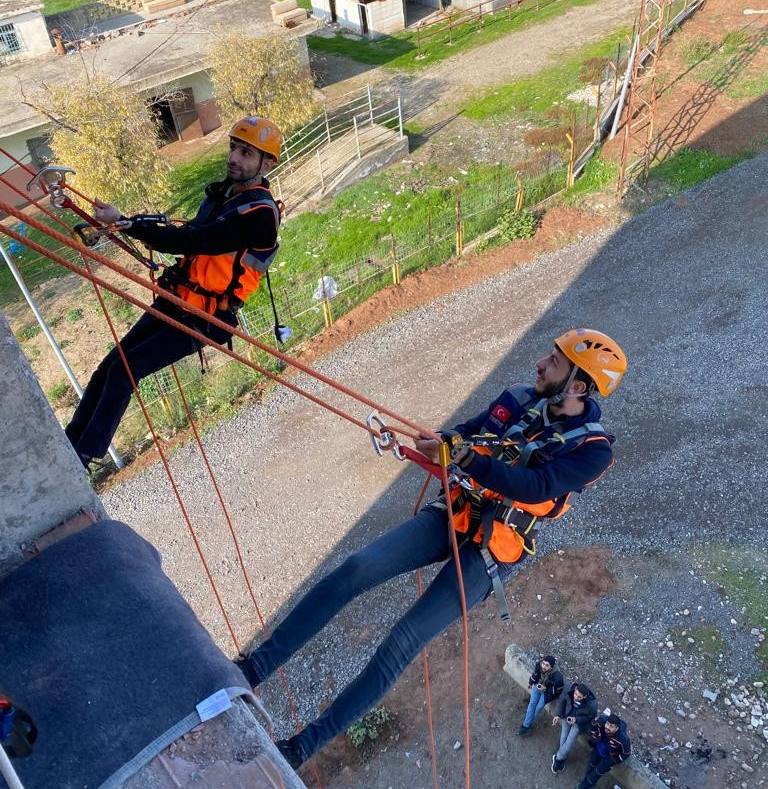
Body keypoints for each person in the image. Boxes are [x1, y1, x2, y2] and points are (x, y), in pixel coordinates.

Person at [235, 329, 628, 769]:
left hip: (490, 551)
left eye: (554, 362)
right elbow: (467, 433)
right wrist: (442, 443)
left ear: (577, 386)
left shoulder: (592, 451)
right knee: (356, 570)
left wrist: (467, 459)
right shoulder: (518, 399)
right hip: (454, 513)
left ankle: (300, 747)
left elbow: (536, 484)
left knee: (401, 642)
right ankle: (252, 670)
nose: (539, 363)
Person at [64, 116, 283, 469]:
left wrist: (136, 228)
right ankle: (69, 444)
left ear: (267, 163)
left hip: (207, 317)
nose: (234, 158)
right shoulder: (223, 196)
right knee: (109, 366)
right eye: (233, 148)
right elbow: (191, 232)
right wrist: (128, 220)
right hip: (179, 299)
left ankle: (84, 454)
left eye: (246, 153)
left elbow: (196, 239)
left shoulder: (259, 214)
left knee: (126, 369)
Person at [550, 681, 598, 773]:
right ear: (575, 689)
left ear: (585, 697)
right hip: (566, 716)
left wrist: (576, 720)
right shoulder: (568, 689)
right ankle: (562, 758)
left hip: (578, 723)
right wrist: (558, 715)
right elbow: (561, 701)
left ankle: (558, 757)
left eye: (579, 697)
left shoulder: (592, 704)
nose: (575, 697)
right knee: (564, 736)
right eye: (575, 694)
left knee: (569, 742)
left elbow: (589, 718)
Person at [576, 713, 631, 788]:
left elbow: (626, 753)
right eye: (607, 724)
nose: (608, 727)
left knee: (595, 774)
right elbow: (591, 727)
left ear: (617, 728)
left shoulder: (623, 739)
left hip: (607, 759)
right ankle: (587, 782)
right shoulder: (601, 722)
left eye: (611, 726)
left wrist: (613, 760)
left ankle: (583, 786)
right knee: (590, 767)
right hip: (597, 751)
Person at [518, 654, 564, 735]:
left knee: (538, 707)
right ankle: (526, 726)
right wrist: (530, 682)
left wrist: (546, 689)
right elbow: (535, 674)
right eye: (543, 663)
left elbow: (556, 692)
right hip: (538, 685)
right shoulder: (539, 665)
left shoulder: (558, 677)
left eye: (547, 665)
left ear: (551, 667)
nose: (543, 666)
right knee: (532, 704)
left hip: (547, 693)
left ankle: (529, 722)